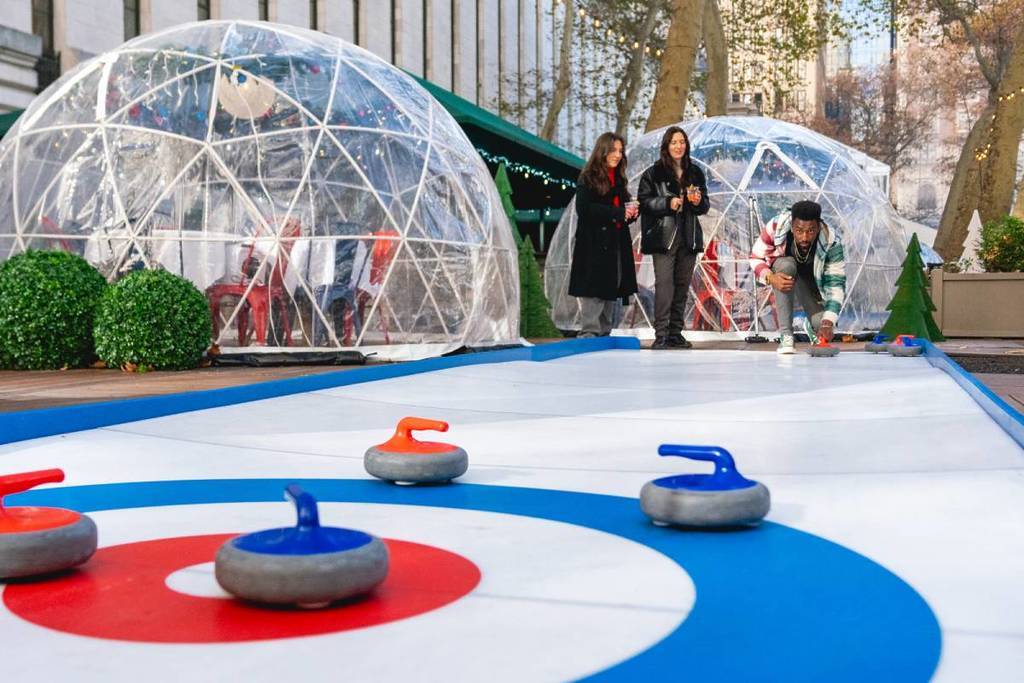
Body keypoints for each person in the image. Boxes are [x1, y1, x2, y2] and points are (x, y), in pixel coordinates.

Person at [637, 126, 710, 349]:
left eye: (682, 142)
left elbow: (704, 205)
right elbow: (644, 202)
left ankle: (675, 333)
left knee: (681, 285)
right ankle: (661, 334)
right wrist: (668, 203)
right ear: (666, 146)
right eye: (674, 142)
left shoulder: (695, 172)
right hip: (664, 237)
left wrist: (697, 202)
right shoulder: (653, 173)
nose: (679, 146)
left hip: (688, 237)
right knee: (664, 285)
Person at [749, 200, 846, 354]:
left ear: (819, 227)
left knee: (821, 324)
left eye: (811, 231)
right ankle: (786, 336)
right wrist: (771, 278)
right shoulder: (776, 226)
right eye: (799, 231)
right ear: (792, 226)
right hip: (785, 272)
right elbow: (755, 257)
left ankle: (811, 325)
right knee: (787, 265)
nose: (805, 238)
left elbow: (836, 286)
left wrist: (827, 323)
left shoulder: (832, 243)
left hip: (811, 283)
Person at [568, 132, 640, 337]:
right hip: (594, 244)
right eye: (613, 150)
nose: (617, 155)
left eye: (620, 151)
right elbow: (584, 209)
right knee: (594, 288)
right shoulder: (588, 177)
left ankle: (605, 332)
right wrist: (618, 213)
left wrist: (631, 213)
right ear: (603, 151)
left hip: (615, 242)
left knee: (612, 286)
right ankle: (589, 332)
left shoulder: (618, 179)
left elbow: (620, 211)